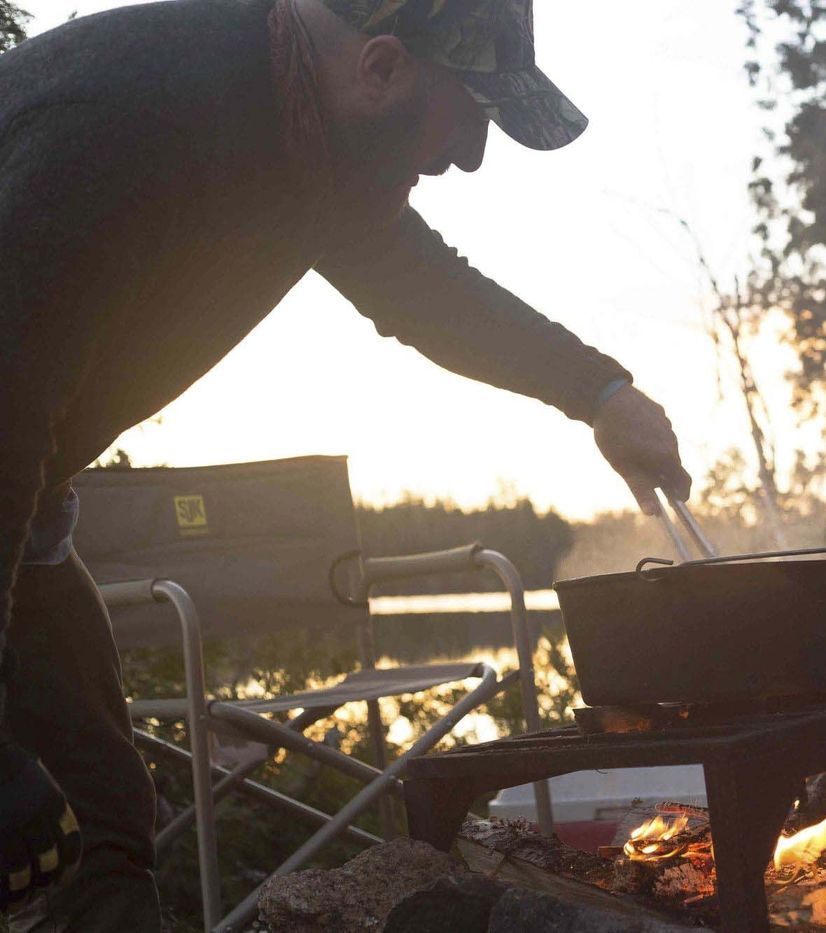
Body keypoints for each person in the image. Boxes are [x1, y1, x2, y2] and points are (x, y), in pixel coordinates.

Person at [0, 0, 691, 927]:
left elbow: (426, 290)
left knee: (109, 830)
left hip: (23, 504)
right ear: (380, 68)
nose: (470, 158)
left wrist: (602, 395)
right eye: (470, 115)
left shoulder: (312, 141)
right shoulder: (133, 116)